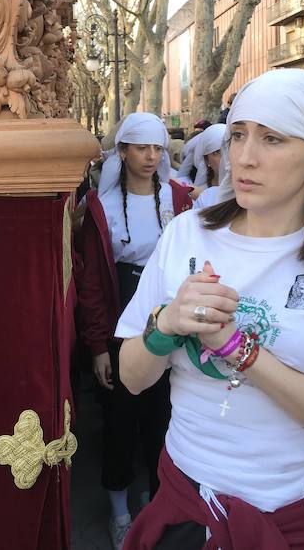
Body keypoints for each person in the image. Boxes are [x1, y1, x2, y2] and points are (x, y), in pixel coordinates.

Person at [116, 69, 304, 548]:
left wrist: (239, 348)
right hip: (188, 505)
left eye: (273, 139)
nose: (245, 157)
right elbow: (133, 378)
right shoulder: (187, 233)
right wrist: (166, 325)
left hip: (301, 517)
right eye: (238, 135)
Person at [75, 112, 192, 549]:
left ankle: (163, 501)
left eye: (157, 148)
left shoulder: (181, 199)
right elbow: (90, 282)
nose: (151, 156)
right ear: (121, 152)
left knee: (166, 416)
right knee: (120, 419)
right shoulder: (101, 209)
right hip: (120, 315)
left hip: (170, 315)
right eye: (141, 147)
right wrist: (98, 346)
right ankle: (120, 510)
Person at [174, 123, 225, 199]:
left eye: (228, 151)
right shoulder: (196, 194)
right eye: (216, 153)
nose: (224, 158)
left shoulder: (243, 189)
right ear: (206, 160)